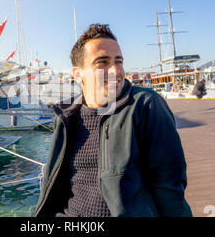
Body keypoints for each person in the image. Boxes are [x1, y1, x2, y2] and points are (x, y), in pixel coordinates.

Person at [34, 24, 192, 217]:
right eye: (102, 62)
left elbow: (169, 187)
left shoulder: (146, 106)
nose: (115, 71)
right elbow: (55, 182)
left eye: (119, 61)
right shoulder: (67, 115)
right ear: (78, 74)